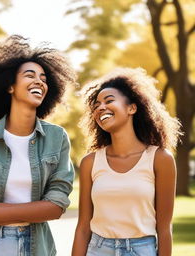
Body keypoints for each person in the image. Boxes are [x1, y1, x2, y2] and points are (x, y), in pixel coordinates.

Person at [0, 34, 76, 256]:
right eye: (30, 75)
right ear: (10, 86)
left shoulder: (57, 138)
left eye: (43, 78)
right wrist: (38, 210)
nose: (39, 81)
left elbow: (57, 205)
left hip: (38, 246)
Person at [72, 67, 182, 256]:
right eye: (96, 105)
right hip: (98, 250)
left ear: (132, 107)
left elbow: (164, 229)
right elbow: (83, 227)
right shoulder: (90, 162)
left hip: (142, 250)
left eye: (109, 101)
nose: (100, 108)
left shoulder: (160, 159)